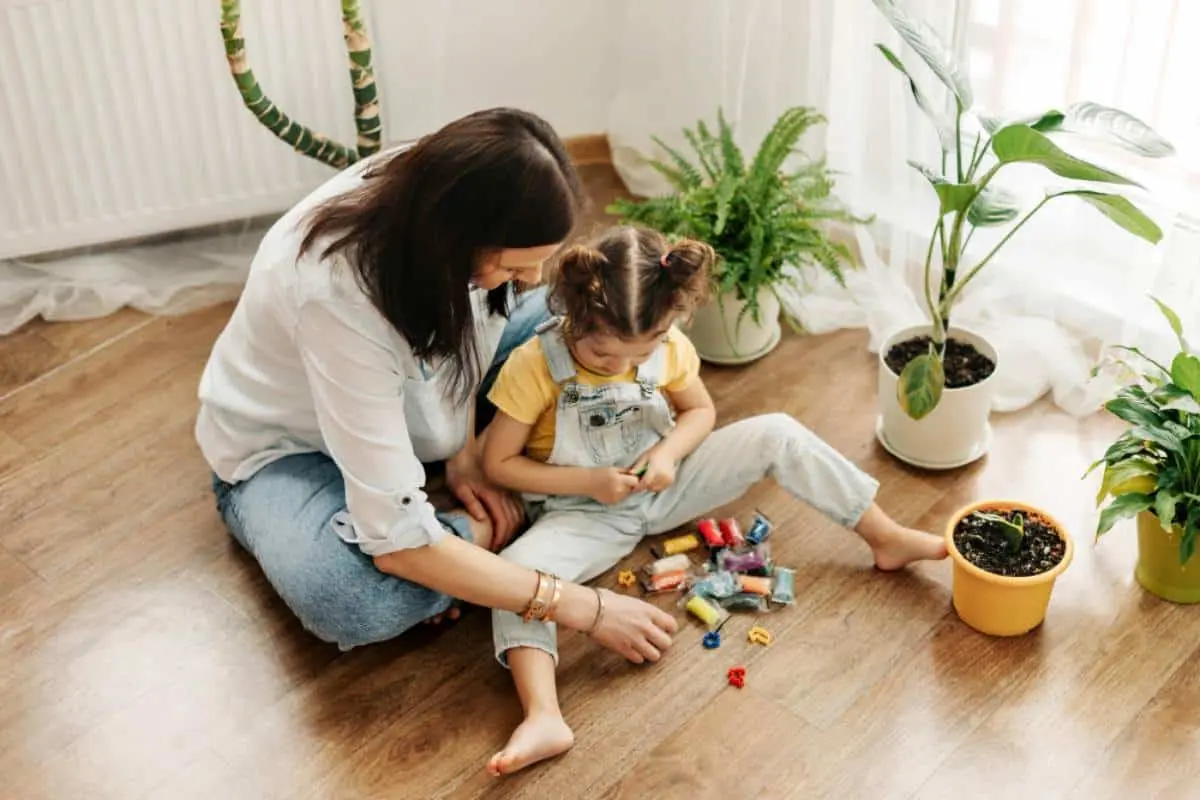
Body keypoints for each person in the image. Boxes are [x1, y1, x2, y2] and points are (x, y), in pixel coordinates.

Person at [195, 108, 679, 662]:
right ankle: (472, 540)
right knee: (349, 601)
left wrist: (468, 450)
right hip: (289, 451)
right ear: (459, 242)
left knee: (595, 315)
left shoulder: (439, 196)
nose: (532, 279)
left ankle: (457, 554)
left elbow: (478, 329)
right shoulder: (334, 299)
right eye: (517, 266)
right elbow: (397, 544)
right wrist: (580, 606)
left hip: (405, 404)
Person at [480, 225, 949, 775]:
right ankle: (543, 714)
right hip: (580, 512)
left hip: (664, 486)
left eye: (643, 350)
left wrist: (669, 456)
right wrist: (590, 483)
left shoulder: (670, 347)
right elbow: (499, 464)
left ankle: (883, 535)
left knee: (776, 429)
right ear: (577, 314)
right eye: (602, 352)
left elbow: (699, 412)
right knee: (513, 577)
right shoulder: (535, 365)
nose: (619, 365)